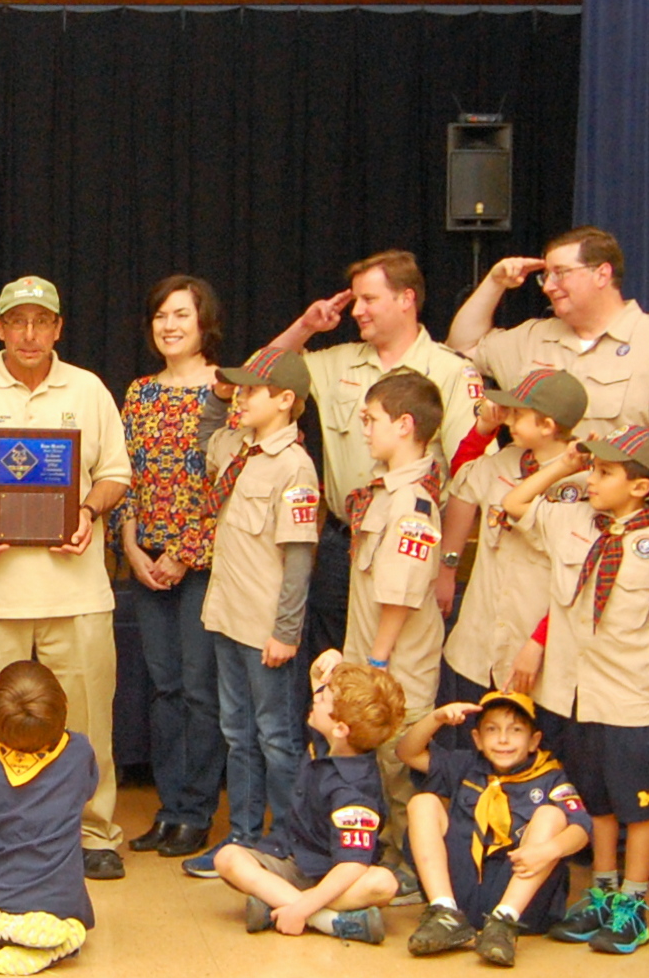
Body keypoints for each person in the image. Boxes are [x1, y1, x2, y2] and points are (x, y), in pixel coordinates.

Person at [0, 276, 135, 876]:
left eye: (43, 322)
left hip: (77, 589)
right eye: (19, 322)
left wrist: (89, 510)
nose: (31, 334)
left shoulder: (89, 390)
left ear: (59, 328)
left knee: (90, 718)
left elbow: (116, 472)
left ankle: (93, 833)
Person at [499, 424, 649, 956]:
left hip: (628, 698)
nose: (592, 478)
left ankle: (633, 906)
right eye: (593, 468)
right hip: (570, 695)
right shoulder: (572, 522)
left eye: (605, 472)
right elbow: (515, 502)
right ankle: (602, 894)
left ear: (641, 487)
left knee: (638, 808)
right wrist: (561, 467)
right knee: (595, 803)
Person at [261, 251, 483, 652]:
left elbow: (470, 475)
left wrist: (450, 564)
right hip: (340, 544)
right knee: (329, 678)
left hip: (409, 545)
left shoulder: (451, 370)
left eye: (369, 299)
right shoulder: (338, 363)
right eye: (356, 301)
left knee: (395, 672)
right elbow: (258, 377)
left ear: (406, 299)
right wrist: (305, 328)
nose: (357, 311)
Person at [447, 225, 649, 530]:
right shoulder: (535, 337)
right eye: (545, 276)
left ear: (602, 274)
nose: (548, 286)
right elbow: (463, 345)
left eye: (560, 273)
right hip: (530, 521)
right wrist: (494, 283)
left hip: (614, 529)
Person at [197, 344, 321, 878]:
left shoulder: (295, 467)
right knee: (237, 732)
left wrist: (286, 632)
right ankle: (243, 836)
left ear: (287, 400)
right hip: (227, 614)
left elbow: (299, 559)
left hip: (266, 627)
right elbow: (206, 436)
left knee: (276, 735)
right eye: (238, 389)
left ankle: (287, 841)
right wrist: (220, 394)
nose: (240, 397)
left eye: (251, 390)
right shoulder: (239, 447)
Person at [116, 275, 228, 859]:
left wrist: (182, 554)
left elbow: (223, 486)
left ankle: (196, 812)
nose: (169, 325)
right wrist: (132, 547)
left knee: (198, 691)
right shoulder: (140, 393)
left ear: (204, 321)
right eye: (160, 315)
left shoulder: (226, 391)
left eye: (181, 314)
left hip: (201, 562)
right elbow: (123, 471)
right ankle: (168, 809)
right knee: (162, 690)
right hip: (145, 559)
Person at [210, 655, 401, 942]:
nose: (317, 697)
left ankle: (281, 905)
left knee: (383, 884)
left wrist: (301, 908)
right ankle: (329, 920)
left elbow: (352, 865)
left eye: (325, 698)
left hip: (337, 876)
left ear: (340, 729)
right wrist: (322, 670)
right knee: (228, 858)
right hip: (292, 860)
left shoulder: (354, 792)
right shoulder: (336, 740)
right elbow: (323, 695)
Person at [398, 692, 591, 965]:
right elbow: (406, 752)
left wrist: (549, 850)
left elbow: (582, 827)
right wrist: (436, 718)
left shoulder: (550, 777)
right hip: (462, 887)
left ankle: (503, 923)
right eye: (492, 730)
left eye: (515, 731)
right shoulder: (466, 765)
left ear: (534, 741)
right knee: (423, 803)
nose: (503, 739)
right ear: (477, 738)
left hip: (519, 892)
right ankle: (444, 913)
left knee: (551, 815)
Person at [439, 367, 588, 708]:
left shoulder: (585, 485)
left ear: (548, 426)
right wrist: (482, 429)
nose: (508, 420)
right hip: (479, 646)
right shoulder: (505, 460)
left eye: (518, 414)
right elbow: (464, 475)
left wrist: (539, 641)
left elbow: (579, 582)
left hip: (534, 654)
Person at [344, 370, 449, 852]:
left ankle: (412, 865)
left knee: (397, 772)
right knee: (378, 772)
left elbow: (399, 595)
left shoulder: (413, 504)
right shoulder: (387, 490)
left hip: (395, 666)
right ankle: (386, 856)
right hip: (371, 657)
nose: (364, 428)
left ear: (405, 424)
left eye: (371, 419)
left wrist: (377, 665)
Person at [0, 661, 99, 976]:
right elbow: (88, 791)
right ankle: (60, 940)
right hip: (63, 899)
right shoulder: (79, 751)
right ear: (64, 707)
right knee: (66, 921)